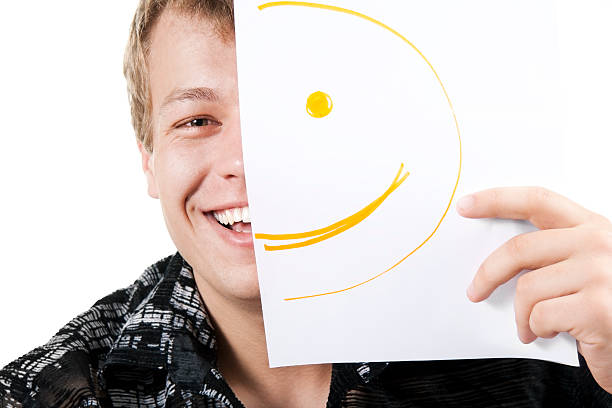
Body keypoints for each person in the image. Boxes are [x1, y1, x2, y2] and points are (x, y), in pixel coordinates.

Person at [1, 1, 612, 407]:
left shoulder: (553, 345)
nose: (250, 161)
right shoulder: (49, 393)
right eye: (196, 120)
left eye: (294, 112)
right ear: (148, 161)